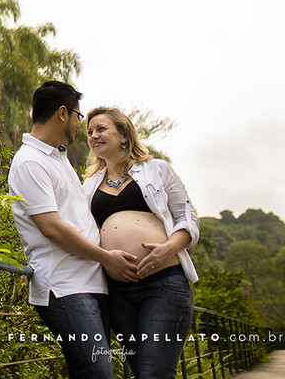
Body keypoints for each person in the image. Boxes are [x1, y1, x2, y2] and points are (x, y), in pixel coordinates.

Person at [8, 81, 139, 379]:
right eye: (80, 117)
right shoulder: (30, 161)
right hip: (65, 286)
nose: (82, 125)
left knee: (95, 371)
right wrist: (106, 257)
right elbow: (51, 227)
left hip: (90, 282)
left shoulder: (59, 158)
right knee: (96, 373)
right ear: (63, 113)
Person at [83, 106, 199, 379]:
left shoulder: (157, 170)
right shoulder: (88, 185)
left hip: (164, 283)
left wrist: (167, 249)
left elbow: (188, 219)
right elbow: (77, 231)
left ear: (123, 134)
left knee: (154, 373)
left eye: (101, 129)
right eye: (89, 132)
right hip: (118, 290)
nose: (93, 136)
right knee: (140, 371)